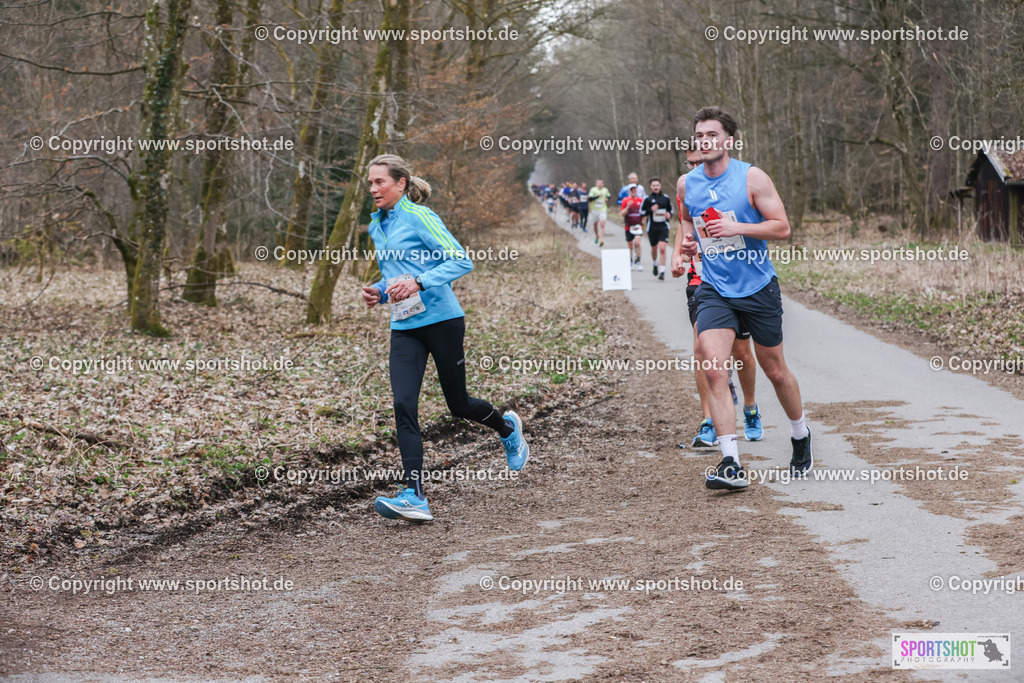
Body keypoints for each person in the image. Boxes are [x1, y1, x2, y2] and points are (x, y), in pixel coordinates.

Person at [361, 154, 530, 521]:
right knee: (404, 405)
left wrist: (419, 282)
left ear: (401, 183)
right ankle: (415, 496)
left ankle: (506, 428)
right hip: (404, 327)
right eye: (370, 183)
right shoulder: (377, 225)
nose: (373, 189)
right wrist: (380, 290)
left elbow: (460, 260)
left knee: (458, 404)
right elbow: (397, 272)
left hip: (442, 321)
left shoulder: (420, 217)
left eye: (380, 182)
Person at [673, 107, 810, 491]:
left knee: (775, 371)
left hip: (757, 287)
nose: (705, 141)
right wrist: (685, 246)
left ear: (729, 142)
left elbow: (782, 227)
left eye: (712, 135)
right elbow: (687, 218)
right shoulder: (687, 184)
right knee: (714, 366)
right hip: (714, 287)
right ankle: (731, 462)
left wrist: (737, 226)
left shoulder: (751, 177)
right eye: (700, 135)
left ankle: (800, 434)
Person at [676, 149, 762, 449]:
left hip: (738, 281)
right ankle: (709, 419)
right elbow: (684, 222)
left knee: (742, 353)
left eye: (702, 161)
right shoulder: (686, 186)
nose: (698, 167)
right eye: (692, 163)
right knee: (703, 350)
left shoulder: (733, 186)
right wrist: (679, 254)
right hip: (702, 282)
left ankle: (750, 408)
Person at [641, 178, 672, 280]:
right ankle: (655, 263)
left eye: (657, 185)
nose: (655, 187)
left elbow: (670, 211)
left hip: (663, 227)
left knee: (662, 248)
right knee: (654, 249)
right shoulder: (647, 199)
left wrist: (669, 214)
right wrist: (651, 210)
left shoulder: (666, 198)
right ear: (651, 187)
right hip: (652, 228)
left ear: (660, 186)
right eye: (653, 185)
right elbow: (641, 212)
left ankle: (662, 271)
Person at [620, 184, 645, 270]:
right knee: (630, 245)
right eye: (632, 190)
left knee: (637, 243)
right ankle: (630, 261)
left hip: (638, 225)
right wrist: (628, 207)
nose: (633, 191)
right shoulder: (625, 200)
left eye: (635, 189)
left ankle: (638, 261)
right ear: (629, 191)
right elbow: (622, 214)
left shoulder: (641, 200)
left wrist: (644, 219)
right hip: (628, 226)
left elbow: (644, 213)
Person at [589, 179, 611, 246]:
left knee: (602, 224)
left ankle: (601, 240)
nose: (599, 185)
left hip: (603, 209)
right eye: (598, 183)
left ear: (603, 184)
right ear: (596, 184)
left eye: (601, 183)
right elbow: (590, 199)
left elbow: (609, 196)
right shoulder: (593, 190)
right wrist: (598, 196)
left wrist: (607, 198)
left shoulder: (605, 190)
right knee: (595, 225)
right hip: (595, 209)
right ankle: (596, 235)